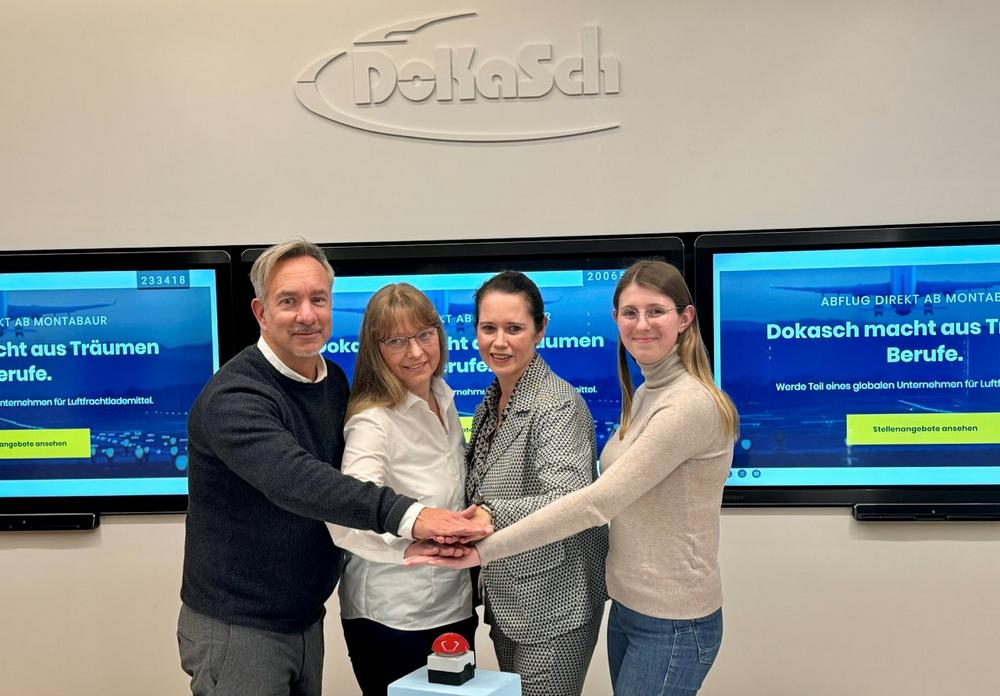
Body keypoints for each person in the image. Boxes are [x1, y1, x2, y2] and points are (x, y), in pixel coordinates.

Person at [412, 260, 739, 696]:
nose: (641, 324)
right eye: (630, 312)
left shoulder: (687, 405)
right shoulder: (647, 391)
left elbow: (592, 501)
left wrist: (482, 543)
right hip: (628, 604)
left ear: (685, 318)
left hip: (668, 617)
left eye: (656, 311)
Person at [177, 240, 490, 696]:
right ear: (261, 312)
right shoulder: (235, 397)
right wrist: (414, 516)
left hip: (304, 617)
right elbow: (297, 480)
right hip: (239, 625)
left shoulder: (332, 380)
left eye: (318, 299)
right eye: (289, 301)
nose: (307, 315)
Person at [461, 271, 609, 696]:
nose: (499, 342)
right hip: (511, 598)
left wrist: (487, 514)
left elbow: (568, 500)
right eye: (488, 328)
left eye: (514, 328)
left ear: (541, 329)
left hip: (555, 602)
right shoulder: (490, 402)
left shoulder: (556, 404)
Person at [327, 284, 477, 696]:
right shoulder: (373, 422)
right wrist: (405, 549)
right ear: (375, 350)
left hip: (453, 603)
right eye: (396, 341)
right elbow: (344, 515)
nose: (415, 352)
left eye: (424, 335)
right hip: (392, 615)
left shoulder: (442, 396)